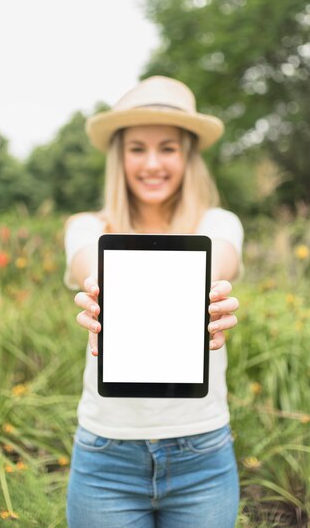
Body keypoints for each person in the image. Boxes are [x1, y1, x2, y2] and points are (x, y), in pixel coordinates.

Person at [63, 75, 244, 528]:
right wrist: (103, 287)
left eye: (168, 147)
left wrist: (208, 287)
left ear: (188, 156)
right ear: (119, 157)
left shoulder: (218, 224)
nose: (152, 163)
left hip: (202, 453)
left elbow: (221, 257)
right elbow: (91, 264)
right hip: (107, 457)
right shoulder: (88, 228)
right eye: (137, 148)